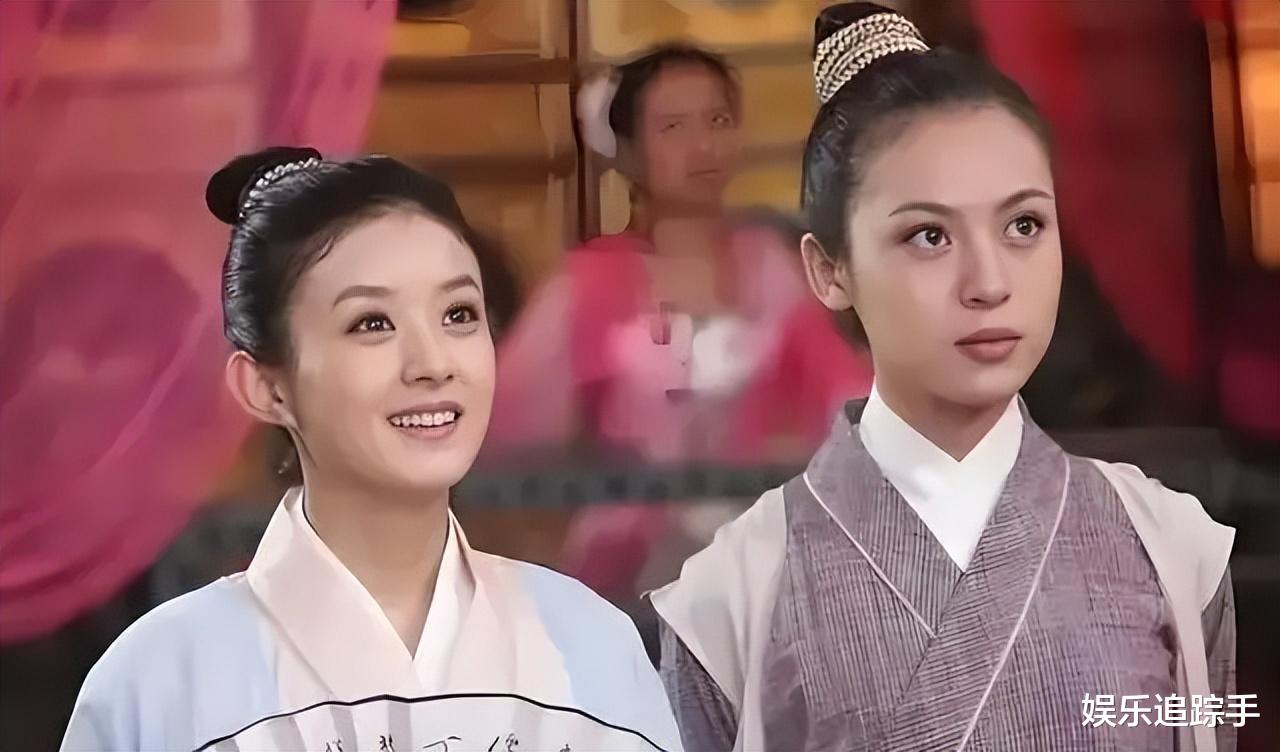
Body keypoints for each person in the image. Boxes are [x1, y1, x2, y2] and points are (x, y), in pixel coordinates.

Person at [650, 5, 1237, 752]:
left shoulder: (1174, 546)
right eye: (928, 235)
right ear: (829, 270)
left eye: (1023, 226)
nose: (990, 282)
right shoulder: (727, 598)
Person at [60, 148, 681, 752]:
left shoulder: (590, 645)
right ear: (268, 388)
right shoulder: (159, 681)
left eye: (459, 314)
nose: (433, 363)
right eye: (372, 323)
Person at [485, 45, 872, 616]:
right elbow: (507, 432)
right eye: (673, 127)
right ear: (628, 151)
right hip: (628, 579)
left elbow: (842, 393)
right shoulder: (587, 284)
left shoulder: (770, 263)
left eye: (717, 120)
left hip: (766, 564)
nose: (702, 145)